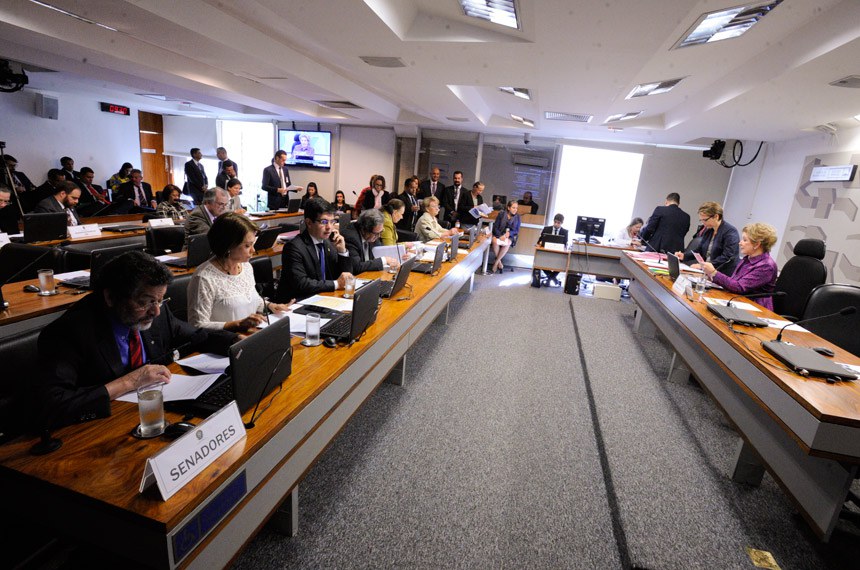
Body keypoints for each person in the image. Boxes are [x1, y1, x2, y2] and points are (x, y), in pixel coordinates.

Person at [36, 250, 237, 428]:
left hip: (151, 414)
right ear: (110, 297)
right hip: (98, 429)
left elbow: (196, 336)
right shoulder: (69, 332)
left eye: (160, 300)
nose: (156, 311)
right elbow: (53, 405)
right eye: (145, 302)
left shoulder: (156, 311)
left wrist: (238, 342)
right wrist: (130, 381)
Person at [187, 213, 293, 332]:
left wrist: (271, 306)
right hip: (225, 340)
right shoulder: (203, 278)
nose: (253, 250)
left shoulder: (246, 267)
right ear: (228, 246)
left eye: (253, 244)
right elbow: (197, 325)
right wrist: (237, 325)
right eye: (247, 246)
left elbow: (252, 300)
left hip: (251, 335)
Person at [276, 197, 353, 302]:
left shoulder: (328, 243)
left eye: (332, 221)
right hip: (297, 302)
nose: (329, 227)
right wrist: (336, 284)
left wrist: (342, 252)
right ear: (309, 223)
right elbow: (302, 284)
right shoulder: (294, 247)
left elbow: (346, 276)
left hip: (323, 297)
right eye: (324, 222)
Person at [700, 222, 778, 310]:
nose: (740, 243)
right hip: (738, 301)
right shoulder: (747, 258)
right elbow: (734, 281)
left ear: (757, 244)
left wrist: (714, 273)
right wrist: (712, 276)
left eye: (745, 240)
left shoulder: (766, 266)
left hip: (755, 308)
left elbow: (739, 287)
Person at [675, 201, 739, 276]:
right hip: (707, 272)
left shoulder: (730, 232)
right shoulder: (709, 230)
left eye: (705, 220)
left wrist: (703, 265)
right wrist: (684, 256)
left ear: (716, 216)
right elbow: (699, 250)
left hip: (721, 274)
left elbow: (727, 257)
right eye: (701, 220)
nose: (703, 223)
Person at [341, 208, 399, 275]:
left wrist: (394, 260)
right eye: (376, 233)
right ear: (364, 230)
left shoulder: (374, 232)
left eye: (381, 232)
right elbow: (357, 267)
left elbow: (381, 252)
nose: (379, 236)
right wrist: (384, 260)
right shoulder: (350, 237)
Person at [536, 213, 569, 286]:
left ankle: (551, 278)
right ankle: (553, 278)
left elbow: (565, 244)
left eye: (558, 223)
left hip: (558, 253)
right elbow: (539, 241)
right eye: (555, 222)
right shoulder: (546, 229)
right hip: (546, 252)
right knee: (540, 261)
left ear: (562, 223)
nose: (556, 224)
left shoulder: (565, 232)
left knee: (563, 263)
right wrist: (540, 242)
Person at [491, 200, 520, 274]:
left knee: (507, 243)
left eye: (516, 208)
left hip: (509, 236)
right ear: (508, 208)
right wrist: (500, 236)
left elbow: (516, 230)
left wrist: (509, 234)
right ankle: (499, 262)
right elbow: (495, 227)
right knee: (494, 241)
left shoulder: (517, 217)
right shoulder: (501, 214)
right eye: (513, 208)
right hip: (499, 234)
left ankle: (496, 262)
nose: (515, 210)